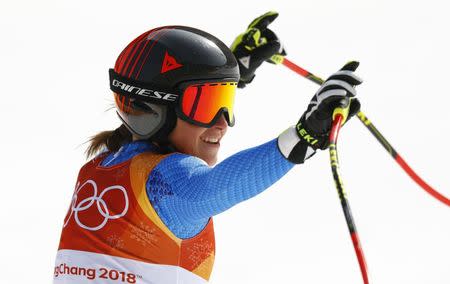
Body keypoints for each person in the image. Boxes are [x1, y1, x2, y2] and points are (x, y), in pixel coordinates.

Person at [53, 11, 362, 284]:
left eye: (224, 102)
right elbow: (216, 188)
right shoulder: (164, 183)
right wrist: (304, 135)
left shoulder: (101, 167)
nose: (223, 123)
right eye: (206, 105)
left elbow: (167, 102)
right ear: (154, 111)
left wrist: (230, 73)